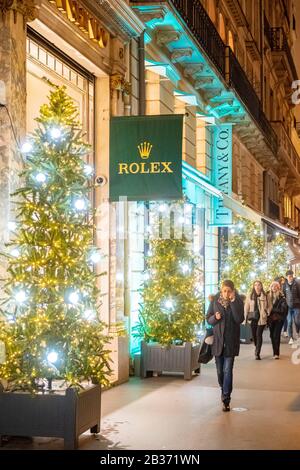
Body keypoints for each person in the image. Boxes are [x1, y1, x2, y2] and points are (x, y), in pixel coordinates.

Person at [206, 280, 244, 412]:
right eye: (224, 291)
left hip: (231, 342)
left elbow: (239, 319)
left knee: (228, 370)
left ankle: (226, 398)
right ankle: (224, 389)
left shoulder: (237, 302)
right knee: (220, 372)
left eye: (228, 291)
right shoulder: (215, 301)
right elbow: (208, 318)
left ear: (232, 291)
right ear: (221, 291)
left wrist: (233, 302)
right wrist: (215, 317)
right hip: (218, 342)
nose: (226, 293)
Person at [244, 280, 268, 360]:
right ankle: (257, 346)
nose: (257, 286)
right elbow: (246, 308)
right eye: (255, 285)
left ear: (261, 286)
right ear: (254, 287)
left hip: (261, 318)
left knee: (258, 335)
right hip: (253, 318)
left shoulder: (265, 295)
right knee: (254, 336)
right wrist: (245, 319)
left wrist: (266, 312)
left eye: (259, 285)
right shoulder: (250, 295)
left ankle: (257, 353)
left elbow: (270, 305)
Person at [267, 281, 288, 359]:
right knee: (272, 336)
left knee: (276, 335)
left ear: (278, 288)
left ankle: (276, 354)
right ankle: (274, 352)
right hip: (270, 320)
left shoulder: (282, 297)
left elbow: (283, 309)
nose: (274, 288)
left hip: (279, 319)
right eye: (272, 286)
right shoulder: (268, 297)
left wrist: (272, 309)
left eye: (275, 286)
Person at [283, 270, 300, 345]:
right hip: (288, 307)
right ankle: (291, 338)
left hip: (297, 306)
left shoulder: (297, 284)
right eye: (289, 276)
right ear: (287, 277)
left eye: (292, 276)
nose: (291, 277)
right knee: (289, 322)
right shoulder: (284, 285)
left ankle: (297, 332)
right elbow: (284, 295)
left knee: (297, 321)